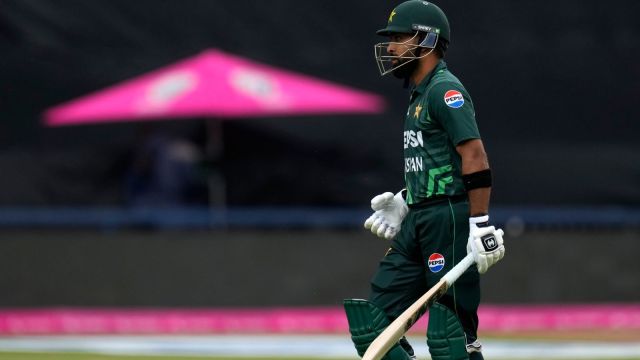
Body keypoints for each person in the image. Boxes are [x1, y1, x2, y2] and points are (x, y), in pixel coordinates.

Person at [343, 1, 506, 360]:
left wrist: (479, 225)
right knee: (373, 327)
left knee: (450, 338)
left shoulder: (445, 91)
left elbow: (474, 155)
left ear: (428, 41)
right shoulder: (418, 95)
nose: (390, 47)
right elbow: (437, 158)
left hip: (447, 219)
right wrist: (407, 198)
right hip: (419, 219)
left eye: (400, 38)